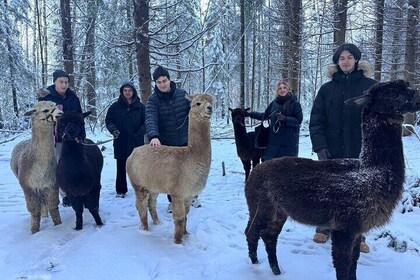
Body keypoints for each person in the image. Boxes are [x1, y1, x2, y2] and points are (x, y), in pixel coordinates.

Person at [309, 43, 377, 253]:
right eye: (341, 58)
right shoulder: (327, 89)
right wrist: (320, 146)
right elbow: (316, 120)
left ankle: (358, 234)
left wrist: (373, 147)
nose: (345, 61)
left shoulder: (371, 86)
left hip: (361, 150)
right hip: (331, 150)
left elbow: (379, 118)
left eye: (349, 57)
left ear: (356, 60)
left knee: (359, 194)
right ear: (337, 62)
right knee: (329, 190)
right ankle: (325, 226)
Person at [145, 65, 201, 213]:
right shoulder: (153, 100)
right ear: (155, 84)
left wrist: (197, 103)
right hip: (167, 144)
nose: (162, 84)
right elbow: (150, 118)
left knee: (190, 170)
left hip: (185, 141)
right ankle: (173, 200)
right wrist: (154, 136)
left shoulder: (182, 94)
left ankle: (192, 195)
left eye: (164, 80)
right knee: (172, 174)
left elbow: (195, 109)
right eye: (159, 82)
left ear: (169, 80)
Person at [38, 69, 82, 207]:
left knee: (72, 166)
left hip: (71, 138)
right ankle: (59, 196)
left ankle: (74, 192)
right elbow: (39, 118)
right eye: (61, 82)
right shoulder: (46, 98)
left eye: (66, 82)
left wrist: (81, 135)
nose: (64, 85)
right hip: (53, 138)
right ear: (55, 82)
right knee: (56, 166)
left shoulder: (73, 98)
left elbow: (79, 117)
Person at [105, 81, 146, 198]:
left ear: (133, 92)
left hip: (136, 142)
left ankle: (141, 188)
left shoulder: (140, 107)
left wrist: (139, 133)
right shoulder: (115, 107)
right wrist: (114, 130)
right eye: (125, 90)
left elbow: (147, 122)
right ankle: (121, 190)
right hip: (120, 141)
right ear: (122, 92)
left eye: (129, 90)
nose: (127, 93)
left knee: (138, 167)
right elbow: (109, 121)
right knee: (121, 166)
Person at [246, 80, 303, 161]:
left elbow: (298, 120)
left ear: (288, 89)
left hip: (289, 144)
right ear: (277, 91)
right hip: (273, 143)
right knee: (270, 169)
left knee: (287, 169)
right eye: (280, 88)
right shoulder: (274, 103)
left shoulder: (295, 103)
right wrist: (250, 114)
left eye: (284, 88)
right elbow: (265, 115)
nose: (282, 90)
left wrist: (285, 119)